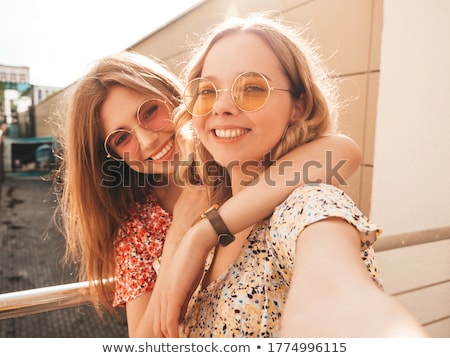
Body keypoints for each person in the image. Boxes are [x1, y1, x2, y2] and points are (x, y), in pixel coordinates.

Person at [148, 14, 429, 338]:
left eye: (252, 88)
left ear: (298, 105)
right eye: (207, 91)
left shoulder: (307, 205)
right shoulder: (212, 208)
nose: (221, 106)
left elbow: (338, 297)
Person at [54, 50, 362, 337]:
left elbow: (341, 151)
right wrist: (177, 237)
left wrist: (204, 231)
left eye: (149, 112)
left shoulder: (233, 158)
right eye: (122, 138)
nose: (147, 141)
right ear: (113, 156)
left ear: (177, 98)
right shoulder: (138, 228)